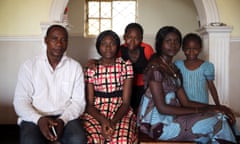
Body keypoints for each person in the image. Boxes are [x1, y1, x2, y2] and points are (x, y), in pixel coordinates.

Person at [137, 26, 237, 143]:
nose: (173, 45)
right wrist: (200, 111)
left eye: (176, 41)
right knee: (218, 121)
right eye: (168, 41)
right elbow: (162, 108)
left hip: (173, 117)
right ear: (160, 44)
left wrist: (215, 107)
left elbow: (185, 102)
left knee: (220, 116)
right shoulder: (155, 69)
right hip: (159, 125)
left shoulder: (173, 69)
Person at [13, 24, 86, 144]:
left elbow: (79, 102)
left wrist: (63, 120)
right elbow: (20, 101)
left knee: (77, 139)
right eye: (54, 39)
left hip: (65, 116)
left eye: (63, 40)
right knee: (29, 141)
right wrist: (39, 119)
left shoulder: (75, 67)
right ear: (46, 40)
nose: (59, 44)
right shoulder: (29, 66)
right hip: (35, 116)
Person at [81, 30, 138, 143]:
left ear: (117, 46)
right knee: (92, 139)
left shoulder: (125, 65)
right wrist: (103, 121)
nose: (108, 47)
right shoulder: (91, 68)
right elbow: (90, 104)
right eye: (104, 44)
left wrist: (112, 122)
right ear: (98, 46)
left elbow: (126, 102)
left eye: (112, 43)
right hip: (96, 113)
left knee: (122, 140)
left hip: (120, 111)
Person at [175, 33, 220, 105]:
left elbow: (212, 87)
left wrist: (218, 105)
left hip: (201, 104)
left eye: (195, 49)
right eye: (188, 49)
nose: (191, 52)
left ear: (200, 49)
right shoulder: (177, 65)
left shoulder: (207, 66)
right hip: (183, 105)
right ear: (183, 49)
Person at [119, 23, 154, 112]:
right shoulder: (120, 50)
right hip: (124, 86)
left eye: (136, 38)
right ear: (124, 37)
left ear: (141, 38)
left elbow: (154, 67)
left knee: (141, 110)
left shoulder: (147, 49)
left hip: (144, 87)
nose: (132, 41)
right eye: (129, 37)